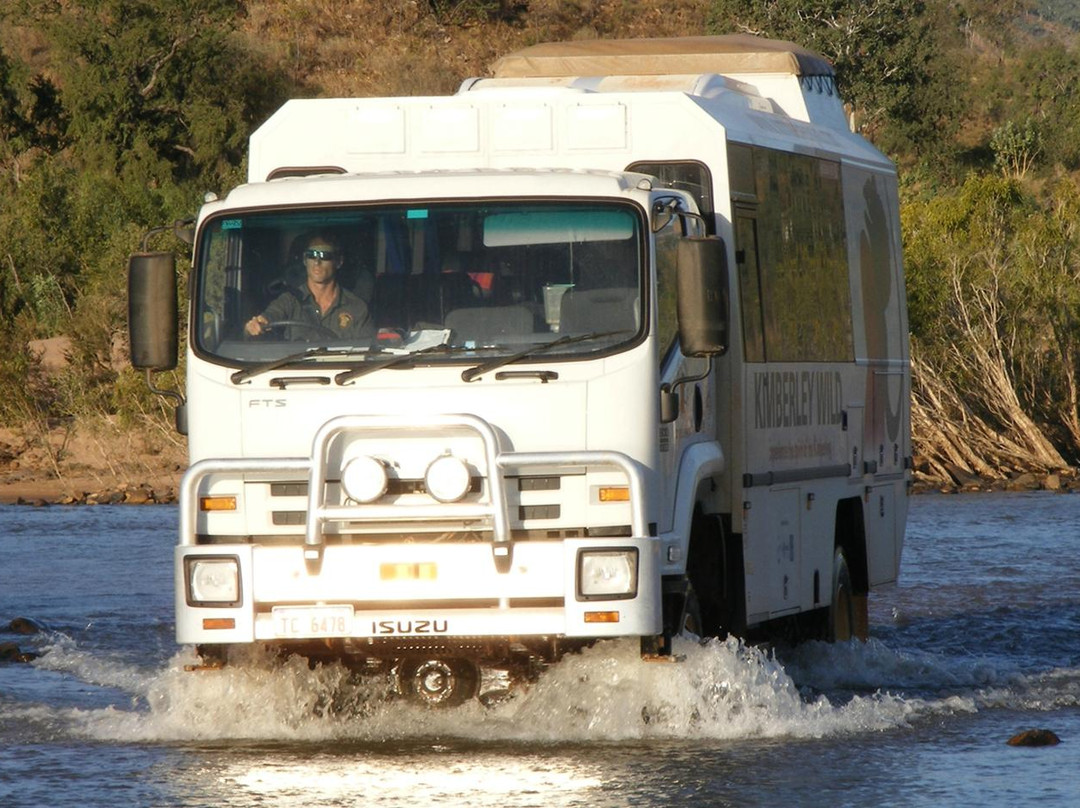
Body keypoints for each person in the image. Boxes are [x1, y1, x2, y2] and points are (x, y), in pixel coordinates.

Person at [245, 233, 374, 342]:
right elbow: (270, 316)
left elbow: (367, 352)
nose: (317, 262)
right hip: (295, 370)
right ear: (304, 260)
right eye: (311, 255)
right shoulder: (289, 301)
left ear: (339, 262)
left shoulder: (357, 308)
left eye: (324, 255)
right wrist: (255, 326)